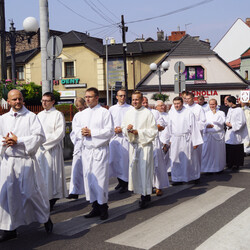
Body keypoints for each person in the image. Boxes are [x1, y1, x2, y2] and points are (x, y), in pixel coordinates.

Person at [0, 90, 53, 242]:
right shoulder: (3, 119)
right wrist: (5, 142)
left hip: (25, 162)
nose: (17, 101)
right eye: (14, 99)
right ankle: (9, 228)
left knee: (30, 195)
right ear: (8, 102)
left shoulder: (31, 117)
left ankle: (45, 217)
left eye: (20, 99)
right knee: (7, 197)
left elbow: (39, 137)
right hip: (8, 162)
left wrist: (19, 140)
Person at [74, 87, 113, 220]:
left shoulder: (104, 112)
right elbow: (75, 130)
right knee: (89, 180)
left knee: (100, 180)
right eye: (86, 97)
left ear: (97, 98)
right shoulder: (82, 114)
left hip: (99, 150)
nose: (88, 99)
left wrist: (93, 133)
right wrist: (82, 132)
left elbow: (109, 131)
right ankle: (95, 206)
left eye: (90, 97)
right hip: (87, 151)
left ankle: (103, 207)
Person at [122, 91, 158, 208]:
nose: (135, 102)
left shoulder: (147, 113)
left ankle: (145, 195)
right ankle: (142, 192)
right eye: (133, 100)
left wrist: (139, 132)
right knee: (136, 171)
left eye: (137, 99)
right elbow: (123, 128)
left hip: (144, 146)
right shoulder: (128, 113)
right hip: (134, 146)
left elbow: (153, 131)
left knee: (145, 171)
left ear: (142, 100)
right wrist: (127, 130)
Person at [36, 92, 67, 211]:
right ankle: (43, 199)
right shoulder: (38, 115)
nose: (44, 103)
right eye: (42, 100)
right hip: (39, 150)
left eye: (47, 100)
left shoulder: (58, 115)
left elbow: (60, 133)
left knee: (51, 175)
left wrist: (44, 143)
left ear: (53, 101)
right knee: (41, 175)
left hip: (51, 149)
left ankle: (51, 199)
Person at [165, 96, 203, 184]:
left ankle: (193, 176)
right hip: (175, 138)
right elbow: (168, 127)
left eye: (178, 103)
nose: (176, 105)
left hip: (186, 138)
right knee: (175, 158)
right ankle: (177, 178)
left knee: (189, 158)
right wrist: (168, 139)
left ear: (182, 103)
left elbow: (194, 127)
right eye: (175, 104)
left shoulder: (188, 113)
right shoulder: (171, 113)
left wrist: (195, 141)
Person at [109, 89, 131, 193]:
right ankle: (120, 181)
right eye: (120, 96)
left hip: (125, 138)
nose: (122, 98)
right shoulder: (112, 109)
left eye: (124, 96)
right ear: (116, 97)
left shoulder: (130, 109)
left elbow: (132, 123)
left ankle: (125, 183)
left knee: (124, 162)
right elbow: (108, 123)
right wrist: (113, 130)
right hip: (114, 138)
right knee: (114, 161)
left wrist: (122, 129)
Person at [67, 97, 86, 199]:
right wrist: (80, 135)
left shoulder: (89, 113)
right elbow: (74, 131)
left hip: (89, 144)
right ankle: (74, 191)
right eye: (77, 108)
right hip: (79, 144)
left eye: (81, 107)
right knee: (76, 168)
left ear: (85, 105)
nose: (79, 110)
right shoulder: (77, 116)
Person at [185, 92, 206, 182]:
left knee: (195, 157)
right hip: (186, 136)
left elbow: (203, 122)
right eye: (186, 99)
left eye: (189, 98)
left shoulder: (199, 108)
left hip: (195, 134)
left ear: (193, 98)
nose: (187, 100)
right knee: (187, 156)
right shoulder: (184, 108)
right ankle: (188, 175)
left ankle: (196, 176)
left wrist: (193, 126)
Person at [201, 99, 226, 173]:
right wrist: (206, 126)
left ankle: (218, 168)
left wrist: (215, 114)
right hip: (208, 135)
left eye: (213, 104)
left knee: (218, 154)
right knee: (207, 153)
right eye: (210, 104)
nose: (212, 106)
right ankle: (207, 169)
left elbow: (221, 122)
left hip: (217, 136)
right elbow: (203, 123)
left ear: (216, 104)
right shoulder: (206, 113)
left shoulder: (221, 113)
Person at [225, 96, 249, 171]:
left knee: (236, 148)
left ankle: (236, 164)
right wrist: (227, 123)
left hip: (236, 132)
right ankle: (230, 163)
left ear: (231, 102)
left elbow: (242, 122)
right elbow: (228, 118)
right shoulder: (230, 109)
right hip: (229, 132)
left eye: (227, 102)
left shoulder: (239, 110)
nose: (226, 103)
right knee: (229, 147)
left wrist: (232, 125)